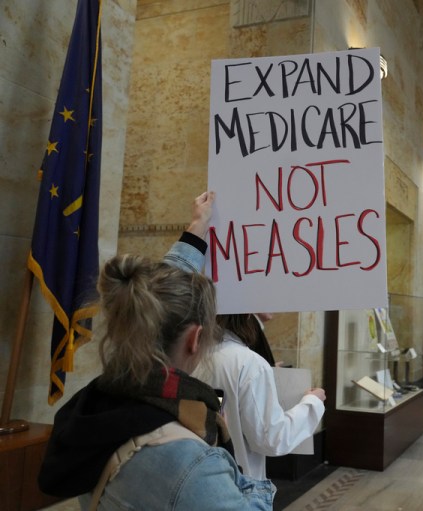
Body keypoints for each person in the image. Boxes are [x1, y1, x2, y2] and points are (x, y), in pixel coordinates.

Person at [38, 193, 276, 510]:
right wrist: (257, 488)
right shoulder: (191, 462)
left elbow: (160, 294)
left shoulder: (98, 402)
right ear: (196, 339)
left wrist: (197, 227)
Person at [194, 314, 325, 479]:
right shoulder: (249, 363)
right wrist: (313, 402)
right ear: (248, 315)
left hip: (199, 472)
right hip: (238, 479)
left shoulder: (192, 353)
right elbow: (271, 439)